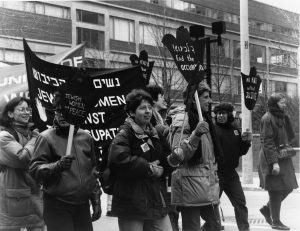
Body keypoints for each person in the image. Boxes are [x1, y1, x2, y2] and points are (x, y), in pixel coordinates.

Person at [29, 92, 101, 231]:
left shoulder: (86, 137)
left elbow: (92, 171)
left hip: (82, 205)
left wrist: (96, 199)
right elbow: (34, 170)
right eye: (58, 111)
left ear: (76, 114)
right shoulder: (46, 138)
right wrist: (58, 166)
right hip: (57, 205)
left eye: (66, 112)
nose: (61, 115)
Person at [108, 88, 173, 231]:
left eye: (150, 107)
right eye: (143, 108)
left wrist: (174, 159)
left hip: (155, 199)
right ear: (131, 112)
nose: (148, 111)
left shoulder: (155, 133)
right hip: (131, 202)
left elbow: (166, 160)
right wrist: (148, 168)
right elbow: (119, 159)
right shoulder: (124, 133)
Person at [167, 81, 223, 231]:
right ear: (194, 99)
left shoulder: (206, 120)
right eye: (205, 97)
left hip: (208, 184)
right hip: (190, 186)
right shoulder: (183, 120)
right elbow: (178, 154)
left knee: (215, 226)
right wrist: (196, 134)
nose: (210, 101)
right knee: (192, 228)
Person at [0, 97, 44, 231]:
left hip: (35, 196)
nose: (26, 113)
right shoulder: (4, 136)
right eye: (21, 109)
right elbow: (22, 158)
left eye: (28, 109)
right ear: (10, 114)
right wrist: (36, 138)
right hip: (14, 199)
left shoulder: (32, 134)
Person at [258, 93, 298, 230]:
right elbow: (267, 142)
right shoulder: (267, 118)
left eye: (284, 102)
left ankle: (267, 209)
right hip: (272, 158)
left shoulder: (282, 117)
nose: (284, 105)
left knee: (288, 186)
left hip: (283, 157)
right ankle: (276, 221)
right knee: (275, 189)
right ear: (274, 104)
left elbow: (289, 136)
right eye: (282, 102)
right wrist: (274, 163)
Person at [213, 102, 252, 231]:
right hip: (216, 173)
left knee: (240, 202)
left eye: (223, 113)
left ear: (229, 115)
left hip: (231, 174)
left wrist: (246, 142)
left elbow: (240, 151)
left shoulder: (235, 129)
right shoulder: (212, 130)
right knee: (212, 204)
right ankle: (211, 227)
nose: (220, 116)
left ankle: (244, 229)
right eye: (218, 113)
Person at [146, 84, 180, 231]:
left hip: (166, 172)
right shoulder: (151, 119)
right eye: (161, 96)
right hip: (159, 174)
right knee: (168, 210)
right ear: (153, 99)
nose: (164, 99)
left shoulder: (159, 117)